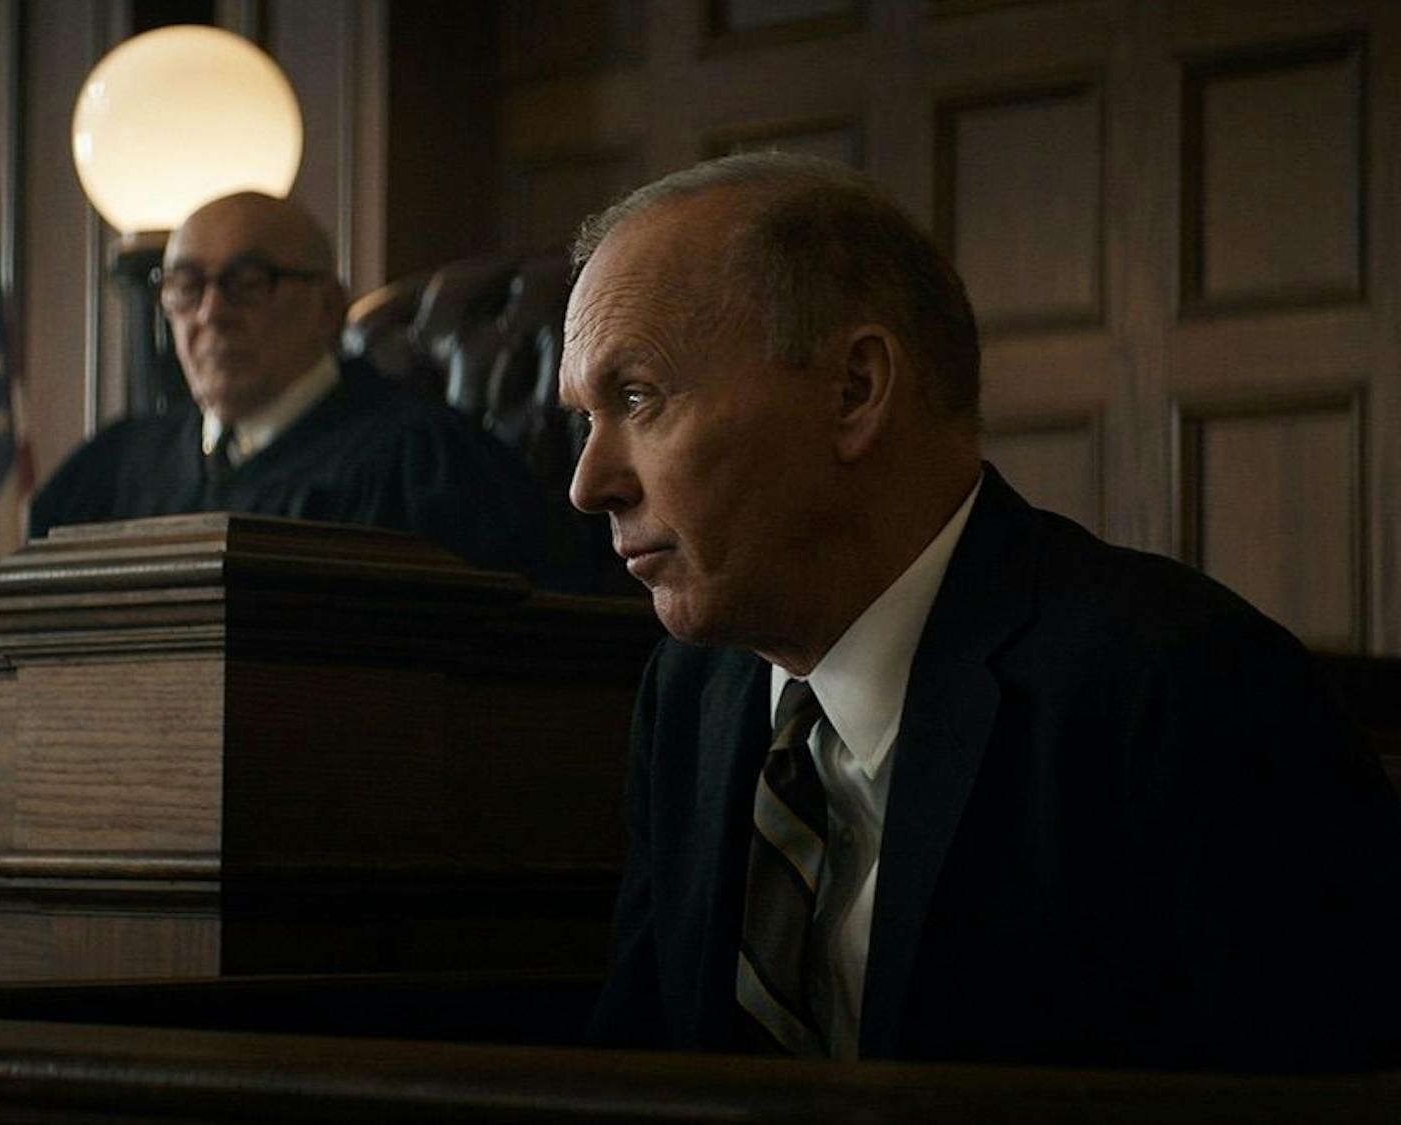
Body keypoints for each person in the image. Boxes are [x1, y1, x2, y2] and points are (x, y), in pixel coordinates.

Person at [563, 152, 1401, 1071]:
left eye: (637, 397)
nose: (587, 483)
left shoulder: (1183, 687)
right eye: (585, 418)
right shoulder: (691, 693)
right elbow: (638, 1063)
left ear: (854, 392)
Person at [29, 192, 557, 580]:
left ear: (327, 307)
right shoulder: (110, 469)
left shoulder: (424, 464)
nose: (211, 313)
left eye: (249, 283)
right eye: (186, 287)